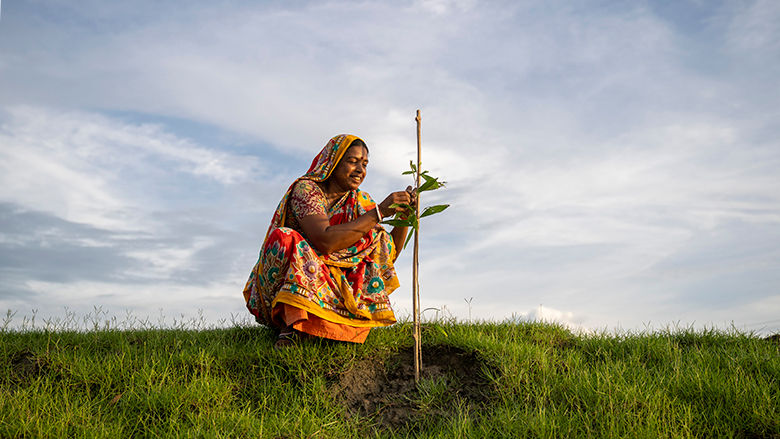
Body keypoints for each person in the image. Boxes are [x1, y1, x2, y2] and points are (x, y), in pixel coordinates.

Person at [242, 134, 415, 348]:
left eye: (364, 164)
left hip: (329, 284)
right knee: (285, 238)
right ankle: (291, 325)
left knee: (377, 237)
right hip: (288, 283)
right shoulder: (306, 190)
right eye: (352, 161)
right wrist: (377, 213)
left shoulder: (360, 201)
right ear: (332, 162)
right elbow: (325, 241)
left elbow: (387, 254)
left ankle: (333, 325)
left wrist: (404, 217)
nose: (360, 170)